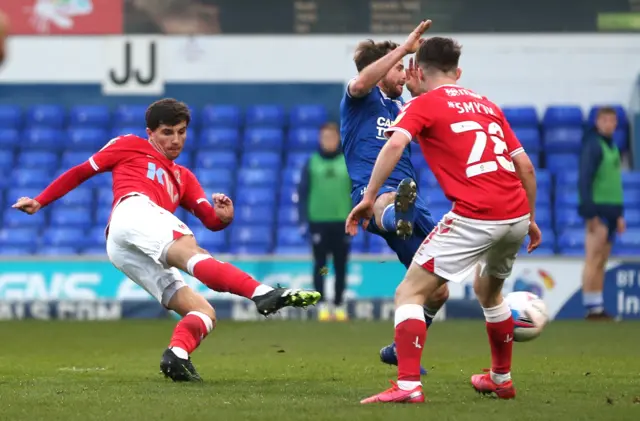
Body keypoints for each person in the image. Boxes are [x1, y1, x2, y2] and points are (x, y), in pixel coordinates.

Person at [12, 98, 321, 382]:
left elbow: (210, 220)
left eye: (182, 132)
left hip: (124, 246)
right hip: (132, 210)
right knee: (191, 250)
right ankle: (263, 292)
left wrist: (224, 217)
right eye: (167, 133)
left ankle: (177, 355)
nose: (175, 140)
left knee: (203, 312)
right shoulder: (128, 145)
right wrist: (40, 201)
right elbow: (81, 171)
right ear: (150, 133)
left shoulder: (184, 178)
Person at [346, 36, 541, 404]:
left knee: (409, 292)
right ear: (459, 72)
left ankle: (407, 385)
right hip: (515, 212)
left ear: (418, 71)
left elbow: (394, 145)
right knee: (489, 292)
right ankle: (500, 378)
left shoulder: (422, 104)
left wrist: (368, 198)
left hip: (475, 213)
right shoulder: (487, 104)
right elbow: (525, 167)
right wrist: (530, 218)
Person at [340, 20, 449, 374]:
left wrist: (419, 93)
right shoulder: (360, 98)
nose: (403, 72)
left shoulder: (401, 107)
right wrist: (401, 49)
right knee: (386, 201)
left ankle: (399, 351)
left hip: (413, 201)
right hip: (369, 196)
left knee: (438, 290)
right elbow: (360, 82)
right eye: (399, 67)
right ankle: (391, 216)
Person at [298, 122, 352, 321]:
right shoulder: (311, 163)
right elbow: (302, 194)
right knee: (322, 265)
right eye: (325, 137)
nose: (328, 141)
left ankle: (338, 304)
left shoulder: (347, 162)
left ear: (338, 139)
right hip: (318, 223)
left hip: (342, 222)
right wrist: (303, 220)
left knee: (340, 266)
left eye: (332, 137)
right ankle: (321, 304)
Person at [578, 106, 625, 320]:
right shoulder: (593, 146)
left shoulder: (613, 147)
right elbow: (584, 180)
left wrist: (620, 215)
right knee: (593, 258)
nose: (609, 124)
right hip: (598, 211)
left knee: (603, 260)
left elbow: (614, 183)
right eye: (604, 120)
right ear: (598, 122)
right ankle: (590, 307)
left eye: (612, 121)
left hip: (612, 210)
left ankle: (597, 306)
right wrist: (590, 214)